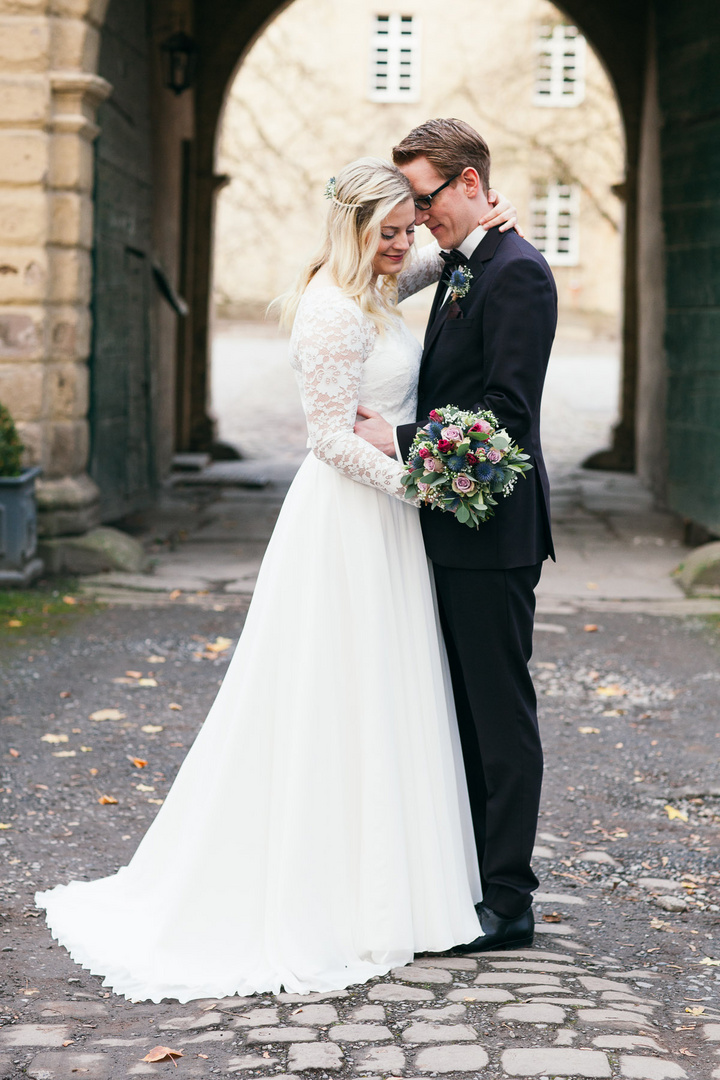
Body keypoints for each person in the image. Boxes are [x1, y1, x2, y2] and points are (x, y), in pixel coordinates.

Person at [35, 158, 519, 1003]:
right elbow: (329, 440)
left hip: (389, 527)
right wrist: (424, 483)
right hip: (348, 521)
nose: (404, 248)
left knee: (391, 693)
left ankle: (396, 879)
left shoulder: (377, 279)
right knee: (330, 694)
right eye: (391, 233)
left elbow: (441, 260)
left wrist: (479, 229)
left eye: (410, 230)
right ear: (354, 230)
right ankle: (318, 886)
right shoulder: (332, 312)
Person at [356, 119, 557, 952]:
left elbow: (507, 420)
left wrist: (396, 444)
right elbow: (372, 269)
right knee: (452, 714)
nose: (419, 214)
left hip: (492, 535)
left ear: (471, 184)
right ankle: (464, 876)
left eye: (428, 198)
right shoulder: (468, 259)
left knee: (497, 714)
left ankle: (508, 899)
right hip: (442, 526)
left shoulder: (520, 276)